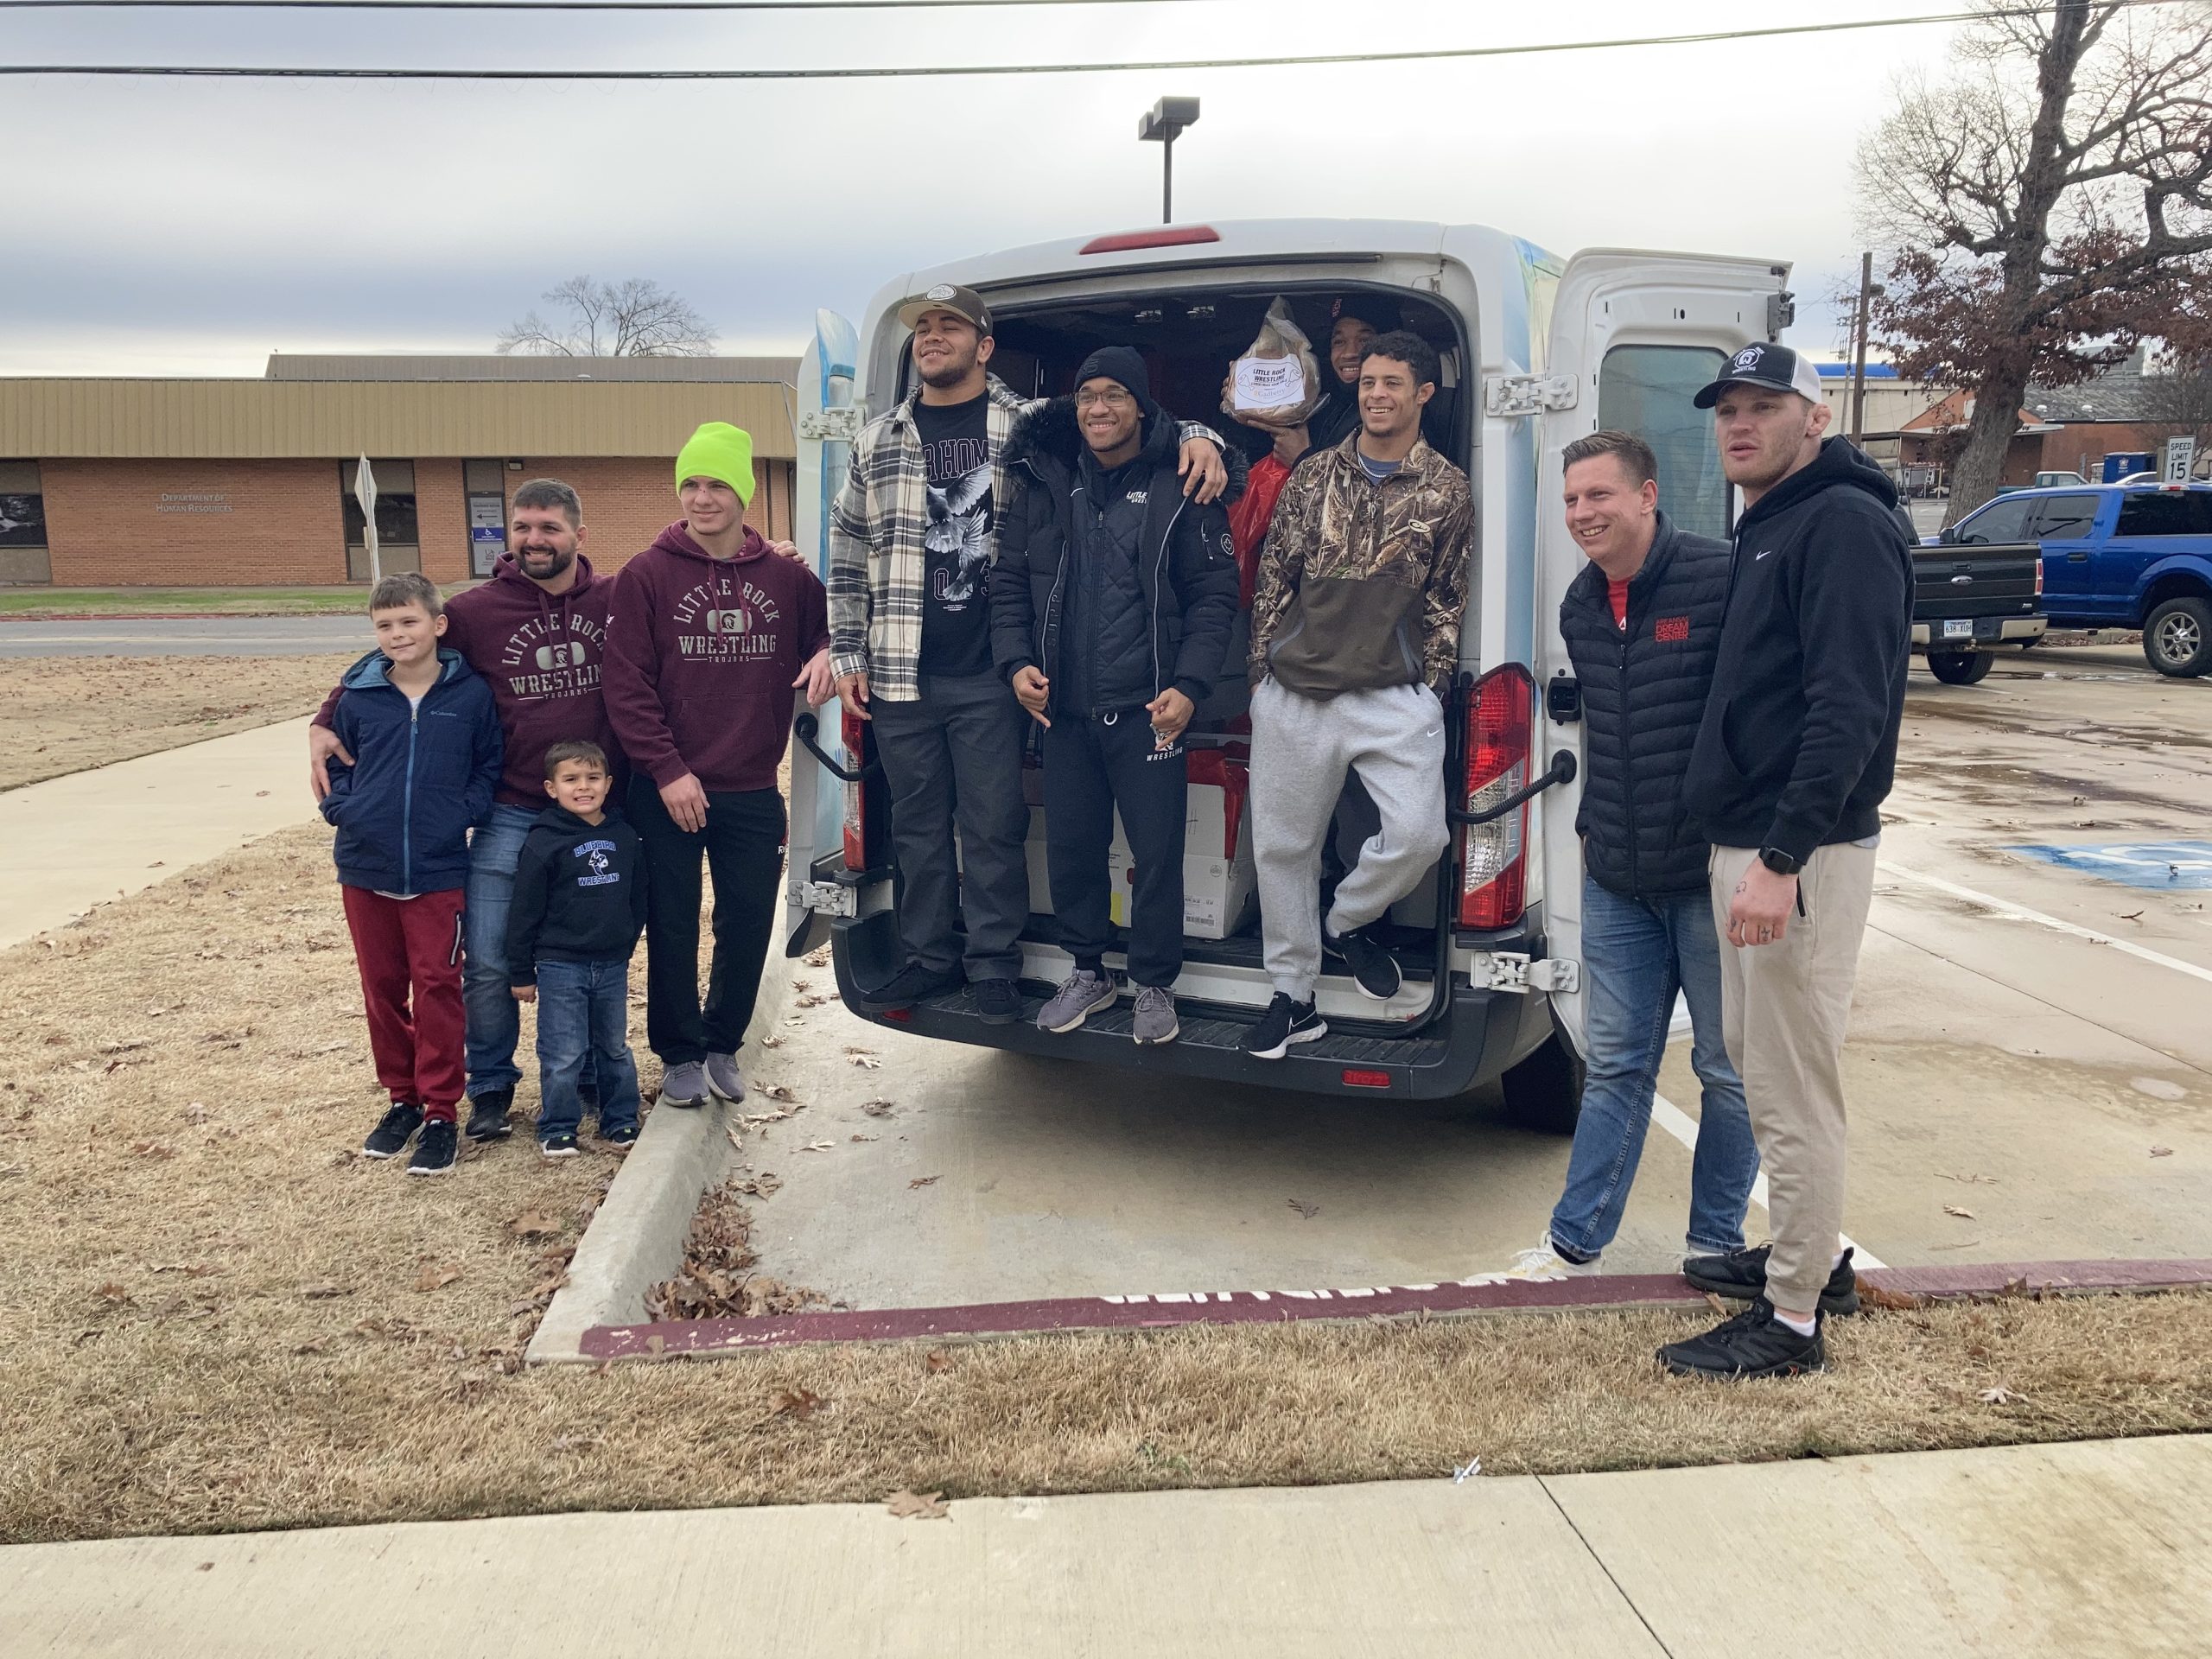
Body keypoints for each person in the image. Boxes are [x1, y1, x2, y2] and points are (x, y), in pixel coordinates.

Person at [829, 283, 1229, 1024]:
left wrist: (1205, 433)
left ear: (985, 346)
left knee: (992, 825)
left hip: (992, 670)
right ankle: (927, 959)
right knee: (918, 826)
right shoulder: (877, 438)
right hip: (903, 667)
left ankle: (994, 969)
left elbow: (1132, 418)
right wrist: (846, 650)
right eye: (923, 329)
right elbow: (848, 551)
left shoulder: (1030, 425)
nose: (931, 339)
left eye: (951, 328)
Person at [1656, 342, 1912, 1380]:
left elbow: (1847, 709)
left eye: (1764, 407)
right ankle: (1812, 1262)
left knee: (1792, 1086)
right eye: (1727, 410)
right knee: (1761, 1069)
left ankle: (1794, 1319)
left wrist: (1778, 854)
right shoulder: (1776, 519)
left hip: (1792, 855)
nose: (1739, 426)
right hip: (1757, 848)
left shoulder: (1842, 524)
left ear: (1815, 417)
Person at [1466, 431, 1758, 1284]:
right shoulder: (1581, 607)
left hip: (1708, 879)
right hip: (1618, 880)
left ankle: (1713, 1245)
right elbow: (1597, 731)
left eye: (1599, 495)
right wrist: (1591, 826)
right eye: (1571, 500)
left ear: (1646, 495)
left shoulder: (1719, 580)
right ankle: (1572, 1247)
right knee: (1614, 1064)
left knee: (1724, 1069)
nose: (1583, 514)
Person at [310, 479, 620, 1145]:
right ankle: (489, 1084)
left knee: (590, 952)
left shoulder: (617, 600)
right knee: (483, 959)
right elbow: (397, 648)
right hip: (511, 811)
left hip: (592, 814)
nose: (534, 539)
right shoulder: (476, 611)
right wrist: (325, 716)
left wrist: (778, 549)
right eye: (523, 527)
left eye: (549, 528)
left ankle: (592, 1072)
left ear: (578, 536)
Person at [991, 346, 1243, 1045]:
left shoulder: (1181, 482)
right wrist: (1015, 664)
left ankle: (1155, 983)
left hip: (1149, 714)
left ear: (1140, 406)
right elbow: (1008, 583)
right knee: (1073, 849)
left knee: (1156, 854)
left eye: (1113, 396)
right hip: (1064, 713)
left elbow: (1215, 598)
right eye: (1086, 397)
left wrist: (1190, 687)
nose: (1098, 409)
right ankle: (1088, 971)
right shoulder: (1045, 479)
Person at [1242, 329, 1472, 1059]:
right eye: (1368, 382)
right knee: (1285, 848)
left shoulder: (1446, 487)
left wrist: (1428, 683)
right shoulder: (1314, 474)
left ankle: (1345, 921)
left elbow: (1446, 598)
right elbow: (1275, 574)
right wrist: (1262, 675)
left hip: (1390, 694)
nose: (1376, 394)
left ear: (1422, 395)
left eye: (1392, 383)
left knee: (1419, 835)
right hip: (1297, 691)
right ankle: (1292, 995)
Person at [604, 422, 834, 1111]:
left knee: (746, 919)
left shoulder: (789, 579)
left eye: (717, 485)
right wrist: (668, 770)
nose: (702, 498)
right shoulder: (648, 574)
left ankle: (720, 1044)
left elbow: (826, 630)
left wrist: (825, 650)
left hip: (752, 787)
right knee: (669, 921)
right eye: (692, 485)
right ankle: (677, 1053)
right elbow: (627, 684)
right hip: (667, 786)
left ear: (744, 494)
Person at [321, 573, 503, 1176]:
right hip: (365, 866)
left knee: (438, 988)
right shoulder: (359, 696)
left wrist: (461, 814)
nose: (398, 634)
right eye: (385, 625)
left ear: (437, 624)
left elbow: (487, 768)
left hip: (438, 868)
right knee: (382, 989)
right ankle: (401, 1098)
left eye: (409, 621)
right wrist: (345, 811)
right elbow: (336, 765)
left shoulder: (470, 695)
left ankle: (441, 1112)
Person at [505, 740, 647, 1158]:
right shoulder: (543, 842)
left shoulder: (624, 836)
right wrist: (520, 972)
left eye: (592, 778)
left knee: (614, 1046)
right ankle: (558, 1126)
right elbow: (524, 910)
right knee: (563, 1052)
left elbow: (637, 896)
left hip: (610, 964)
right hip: (559, 965)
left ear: (608, 783)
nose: (583, 787)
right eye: (571, 780)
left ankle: (621, 1119)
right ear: (551, 788)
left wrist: (625, 939)